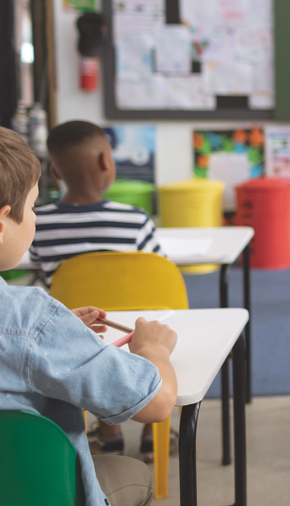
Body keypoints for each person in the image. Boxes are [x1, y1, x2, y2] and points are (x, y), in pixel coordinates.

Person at [0, 126, 177, 506]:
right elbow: (157, 403)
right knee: (134, 476)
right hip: (41, 493)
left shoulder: (38, 325)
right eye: (31, 207)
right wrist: (154, 350)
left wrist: (60, 334)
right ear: (1, 224)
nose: (35, 216)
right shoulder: (32, 321)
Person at [29, 120, 163, 458]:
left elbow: (35, 269)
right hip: (134, 334)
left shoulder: (38, 224)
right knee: (155, 327)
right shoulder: (135, 220)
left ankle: (109, 431)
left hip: (76, 336)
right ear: (107, 161)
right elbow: (158, 277)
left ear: (55, 173)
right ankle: (152, 434)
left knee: (96, 341)